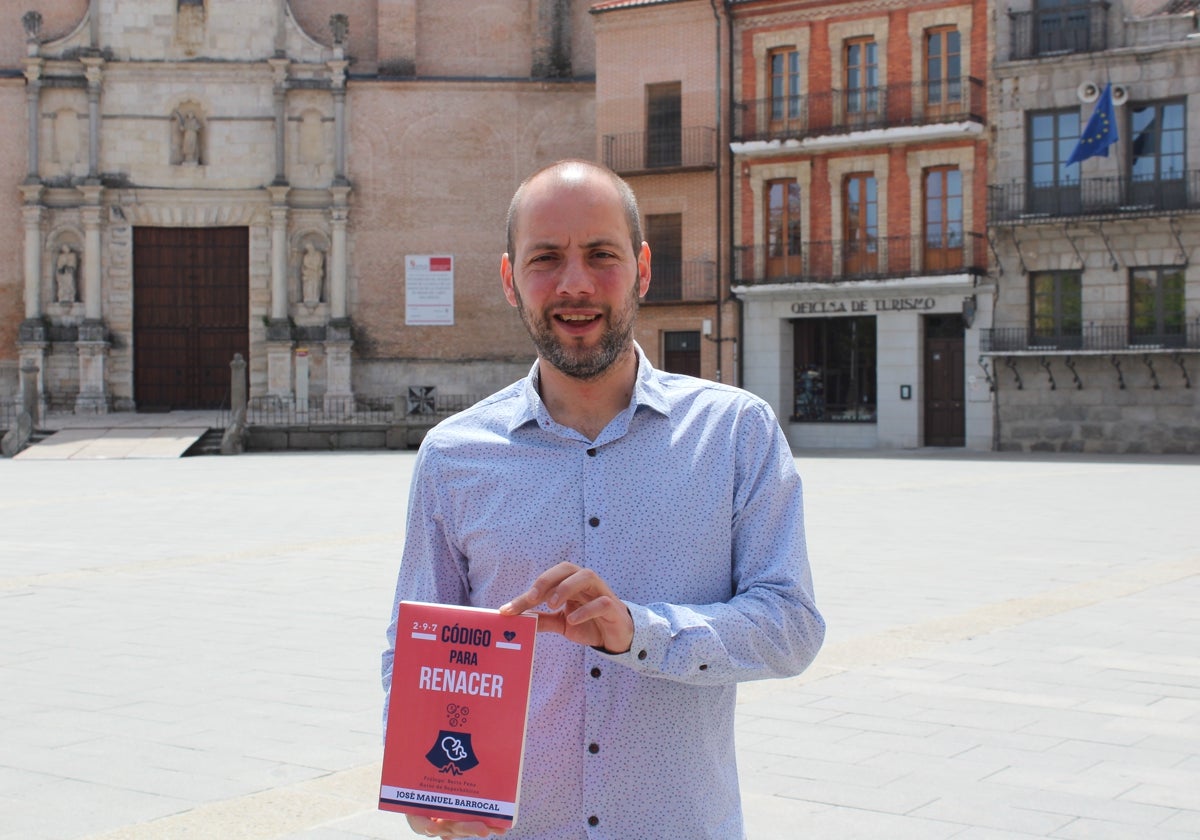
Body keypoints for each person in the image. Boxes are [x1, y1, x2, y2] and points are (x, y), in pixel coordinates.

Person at [382, 160, 824, 840]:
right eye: (546, 259)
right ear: (509, 281)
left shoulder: (736, 433)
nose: (576, 284)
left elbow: (790, 626)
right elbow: (414, 651)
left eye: (600, 255)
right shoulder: (452, 457)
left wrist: (638, 632)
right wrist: (420, 780)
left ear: (642, 269)